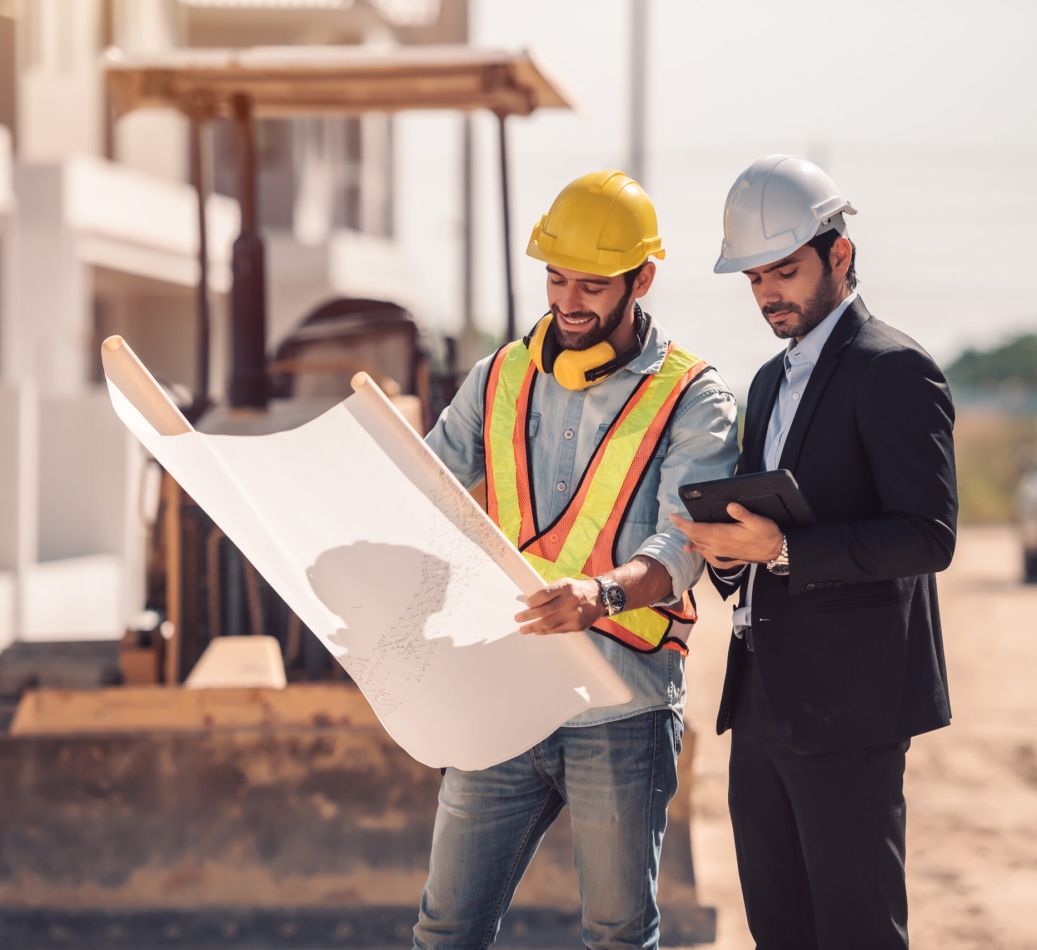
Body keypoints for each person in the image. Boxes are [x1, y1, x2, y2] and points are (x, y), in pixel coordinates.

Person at [413, 170, 739, 950]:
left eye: (592, 284)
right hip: (503, 695)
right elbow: (421, 488)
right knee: (445, 929)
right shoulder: (497, 378)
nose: (567, 301)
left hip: (620, 709)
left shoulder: (692, 397)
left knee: (617, 935)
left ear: (642, 279)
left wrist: (600, 594)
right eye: (556, 279)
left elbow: (683, 545)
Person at [671, 154, 957, 950]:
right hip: (762, 704)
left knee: (857, 933)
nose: (768, 293)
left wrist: (787, 549)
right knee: (780, 933)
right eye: (754, 277)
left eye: (784, 270)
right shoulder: (764, 382)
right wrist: (730, 555)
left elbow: (929, 535)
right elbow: (762, 539)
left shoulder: (893, 369)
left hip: (852, 709)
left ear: (840, 255)